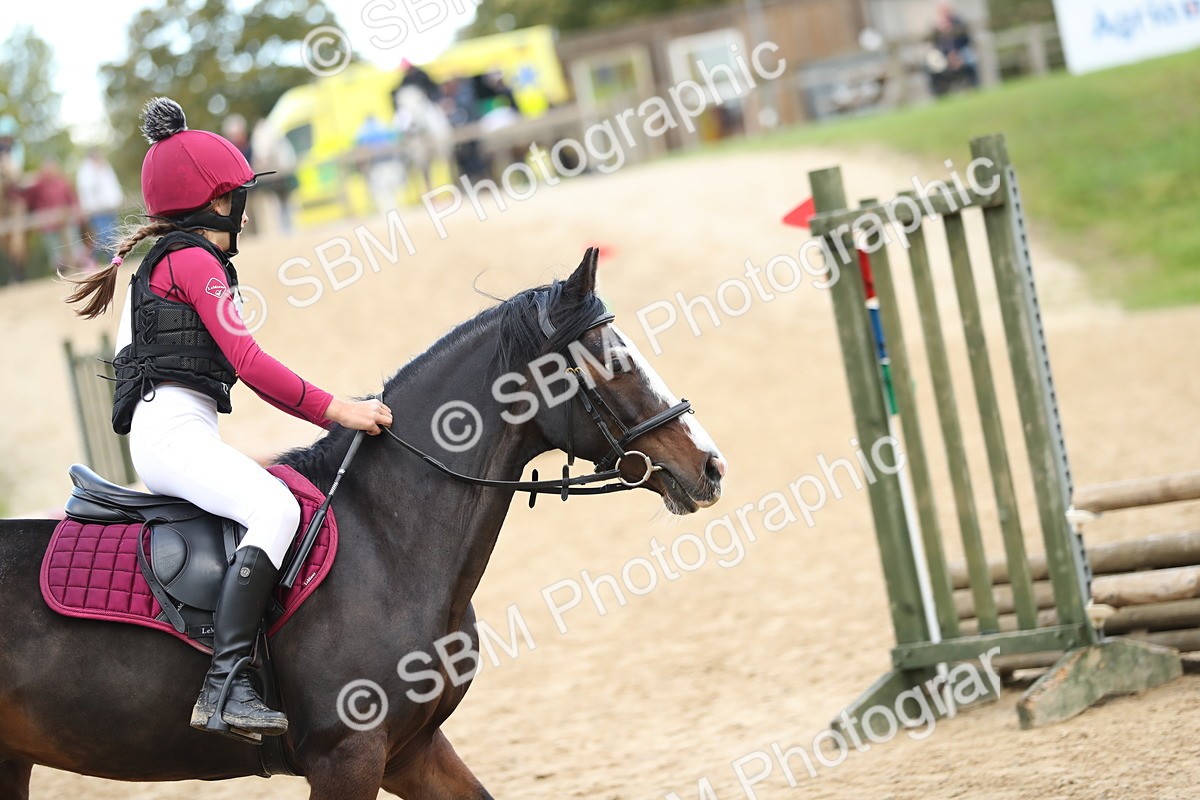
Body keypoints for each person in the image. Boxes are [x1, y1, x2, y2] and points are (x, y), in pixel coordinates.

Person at [64, 97, 393, 738]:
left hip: (173, 434)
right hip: (172, 440)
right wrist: (338, 410)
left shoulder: (168, 259)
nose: (243, 203)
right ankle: (224, 687)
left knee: (269, 501)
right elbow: (248, 361)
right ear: (218, 202)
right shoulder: (192, 259)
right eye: (238, 194)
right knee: (277, 510)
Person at [17, 159, 87, 276]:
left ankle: (80, 266)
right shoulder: (38, 185)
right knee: (55, 252)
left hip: (65, 220)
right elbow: (26, 197)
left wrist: (76, 213)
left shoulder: (62, 183)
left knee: (74, 245)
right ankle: (62, 272)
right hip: (48, 225)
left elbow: (71, 200)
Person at [76, 147, 124, 264]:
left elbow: (112, 185)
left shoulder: (105, 167)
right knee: (104, 236)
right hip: (97, 210)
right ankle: (91, 259)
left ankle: (110, 259)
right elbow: (89, 190)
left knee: (113, 234)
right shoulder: (86, 172)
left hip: (109, 207)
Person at [928, 1, 979, 96]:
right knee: (928, 66)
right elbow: (935, 45)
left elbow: (966, 39)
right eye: (940, 11)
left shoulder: (958, 22)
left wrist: (957, 54)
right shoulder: (935, 27)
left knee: (970, 58)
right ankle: (938, 94)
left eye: (945, 10)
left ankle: (975, 87)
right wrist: (947, 55)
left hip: (961, 50)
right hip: (944, 55)